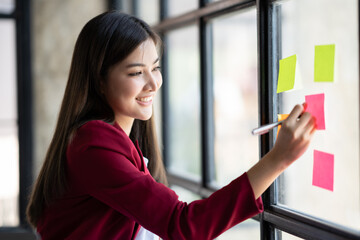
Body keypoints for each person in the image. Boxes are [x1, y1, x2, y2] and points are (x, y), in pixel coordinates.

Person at [26, 11, 316, 240]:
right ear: (100, 80)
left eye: (156, 68)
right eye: (137, 72)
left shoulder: (115, 138)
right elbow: (183, 226)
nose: (153, 83)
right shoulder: (94, 143)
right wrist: (278, 159)